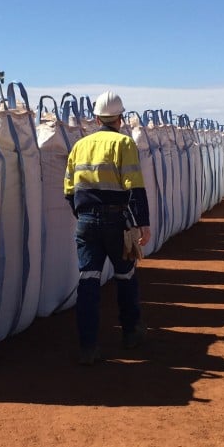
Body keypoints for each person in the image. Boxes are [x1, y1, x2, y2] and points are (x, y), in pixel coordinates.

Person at [64, 90, 151, 365]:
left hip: (87, 222)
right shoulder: (124, 144)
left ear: (96, 117)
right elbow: (134, 186)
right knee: (125, 276)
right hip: (118, 223)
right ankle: (131, 333)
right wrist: (142, 223)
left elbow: (68, 189)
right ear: (120, 118)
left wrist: (83, 215)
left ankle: (88, 347)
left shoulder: (80, 145)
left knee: (88, 282)